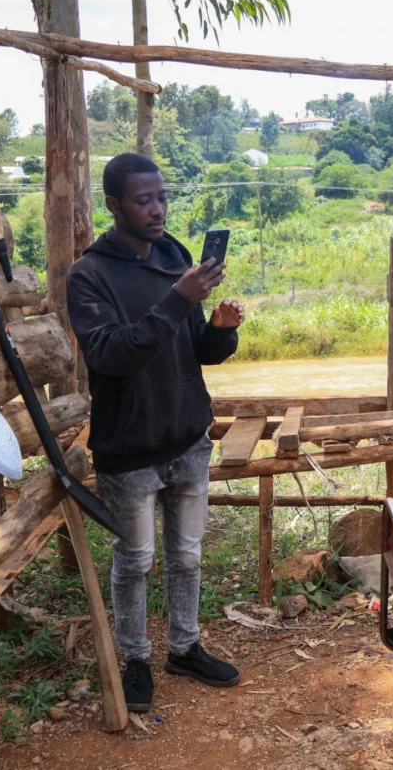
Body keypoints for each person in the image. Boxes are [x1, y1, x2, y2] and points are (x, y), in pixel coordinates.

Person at [67, 153, 245, 712]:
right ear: (114, 205)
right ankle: (137, 658)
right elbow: (112, 354)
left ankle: (185, 648)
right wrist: (178, 298)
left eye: (162, 197)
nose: (157, 209)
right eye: (143, 200)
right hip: (130, 449)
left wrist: (218, 332)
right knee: (136, 559)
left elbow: (191, 349)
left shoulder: (175, 257)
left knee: (188, 557)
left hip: (188, 436)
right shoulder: (89, 275)